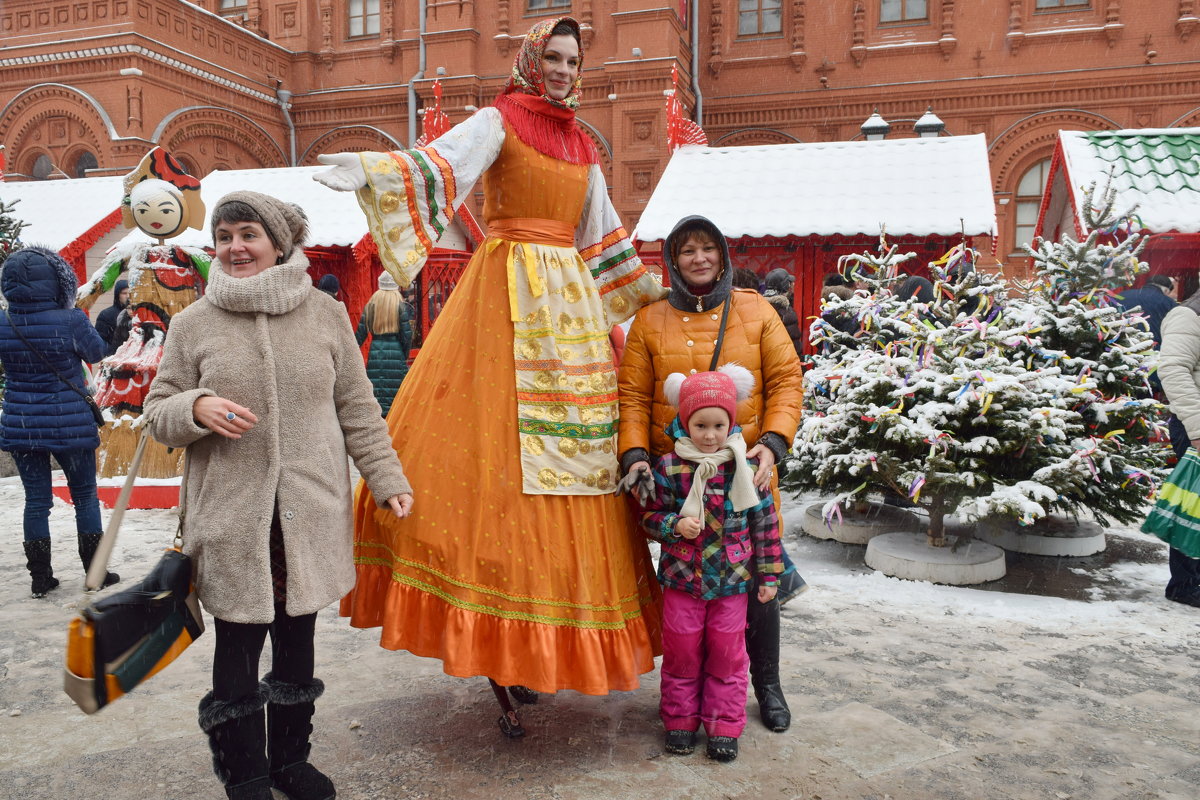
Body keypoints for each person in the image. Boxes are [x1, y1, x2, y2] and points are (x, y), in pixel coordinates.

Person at [313, 16, 668, 735]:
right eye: (557, 58)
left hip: (567, 312)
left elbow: (603, 236)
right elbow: (441, 166)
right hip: (504, 299)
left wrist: (654, 305)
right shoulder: (498, 118)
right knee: (495, 461)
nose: (566, 70)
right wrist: (374, 170)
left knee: (575, 464)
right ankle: (497, 638)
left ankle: (537, 641)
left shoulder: (582, 144)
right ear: (533, 60)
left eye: (574, 60)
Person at [144, 191, 414, 800]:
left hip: (308, 515)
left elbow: (357, 408)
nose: (236, 247)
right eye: (225, 236)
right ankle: (245, 774)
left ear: (279, 242)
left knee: (297, 647)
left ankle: (291, 762)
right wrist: (196, 406)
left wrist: (386, 476)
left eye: (249, 234)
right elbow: (157, 413)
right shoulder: (193, 324)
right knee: (237, 653)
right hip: (232, 519)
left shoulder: (326, 315)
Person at [618, 215, 804, 733]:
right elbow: (632, 395)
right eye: (686, 251)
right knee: (686, 591)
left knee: (760, 578)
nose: (698, 259)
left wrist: (773, 443)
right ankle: (688, 697)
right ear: (672, 260)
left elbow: (788, 380)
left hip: (749, 473)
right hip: (678, 483)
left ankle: (766, 683)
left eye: (707, 249)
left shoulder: (755, 309)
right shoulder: (650, 319)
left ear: (722, 255)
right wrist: (634, 455)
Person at [641, 365, 782, 763]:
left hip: (732, 583)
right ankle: (680, 721)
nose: (709, 435)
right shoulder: (669, 467)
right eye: (699, 425)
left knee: (727, 654)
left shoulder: (747, 469)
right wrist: (673, 524)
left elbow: (765, 526)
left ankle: (723, 724)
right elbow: (649, 516)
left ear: (730, 424)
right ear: (685, 423)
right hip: (683, 580)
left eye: (718, 425)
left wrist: (769, 575)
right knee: (682, 652)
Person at [1, 246, 118, 598]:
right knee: (84, 496)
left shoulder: (4, 322)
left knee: (36, 501)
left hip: (21, 424)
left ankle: (40, 577)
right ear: (57, 282)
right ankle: (94, 571)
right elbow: (98, 353)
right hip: (70, 422)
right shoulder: (70, 320)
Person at [1145, 286, 1200, 609]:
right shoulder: (1188, 316)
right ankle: (1185, 583)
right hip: (1193, 425)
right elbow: (1173, 370)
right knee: (1193, 507)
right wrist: (1197, 428)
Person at [354, 271, 413, 416]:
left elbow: (360, 335)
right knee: (396, 398)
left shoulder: (373, 303)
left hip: (375, 353)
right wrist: (402, 355)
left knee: (377, 393)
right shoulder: (399, 304)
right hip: (396, 353)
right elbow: (407, 335)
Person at [763, 267, 803, 358]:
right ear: (785, 286)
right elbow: (792, 342)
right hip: (786, 361)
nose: (793, 285)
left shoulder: (762, 307)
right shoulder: (782, 310)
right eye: (790, 283)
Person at [93, 278, 128, 356]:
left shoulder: (138, 314)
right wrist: (112, 353)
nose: (128, 296)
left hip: (135, 360)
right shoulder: (106, 314)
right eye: (124, 293)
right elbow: (100, 341)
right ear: (117, 295)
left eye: (130, 293)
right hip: (114, 359)